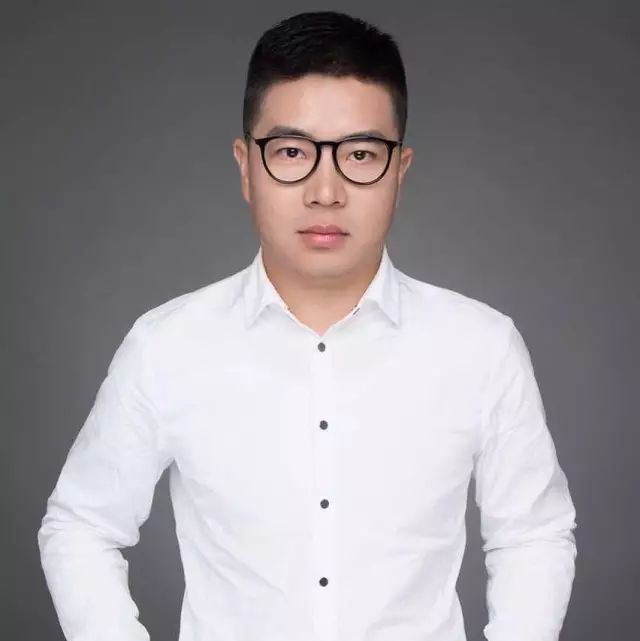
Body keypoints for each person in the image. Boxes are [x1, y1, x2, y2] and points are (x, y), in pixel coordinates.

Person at [37, 10, 577, 641]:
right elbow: (80, 527)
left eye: (361, 154)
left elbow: (533, 535)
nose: (326, 191)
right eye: (291, 152)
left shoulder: (481, 347)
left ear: (399, 171)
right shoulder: (166, 346)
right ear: (246, 166)